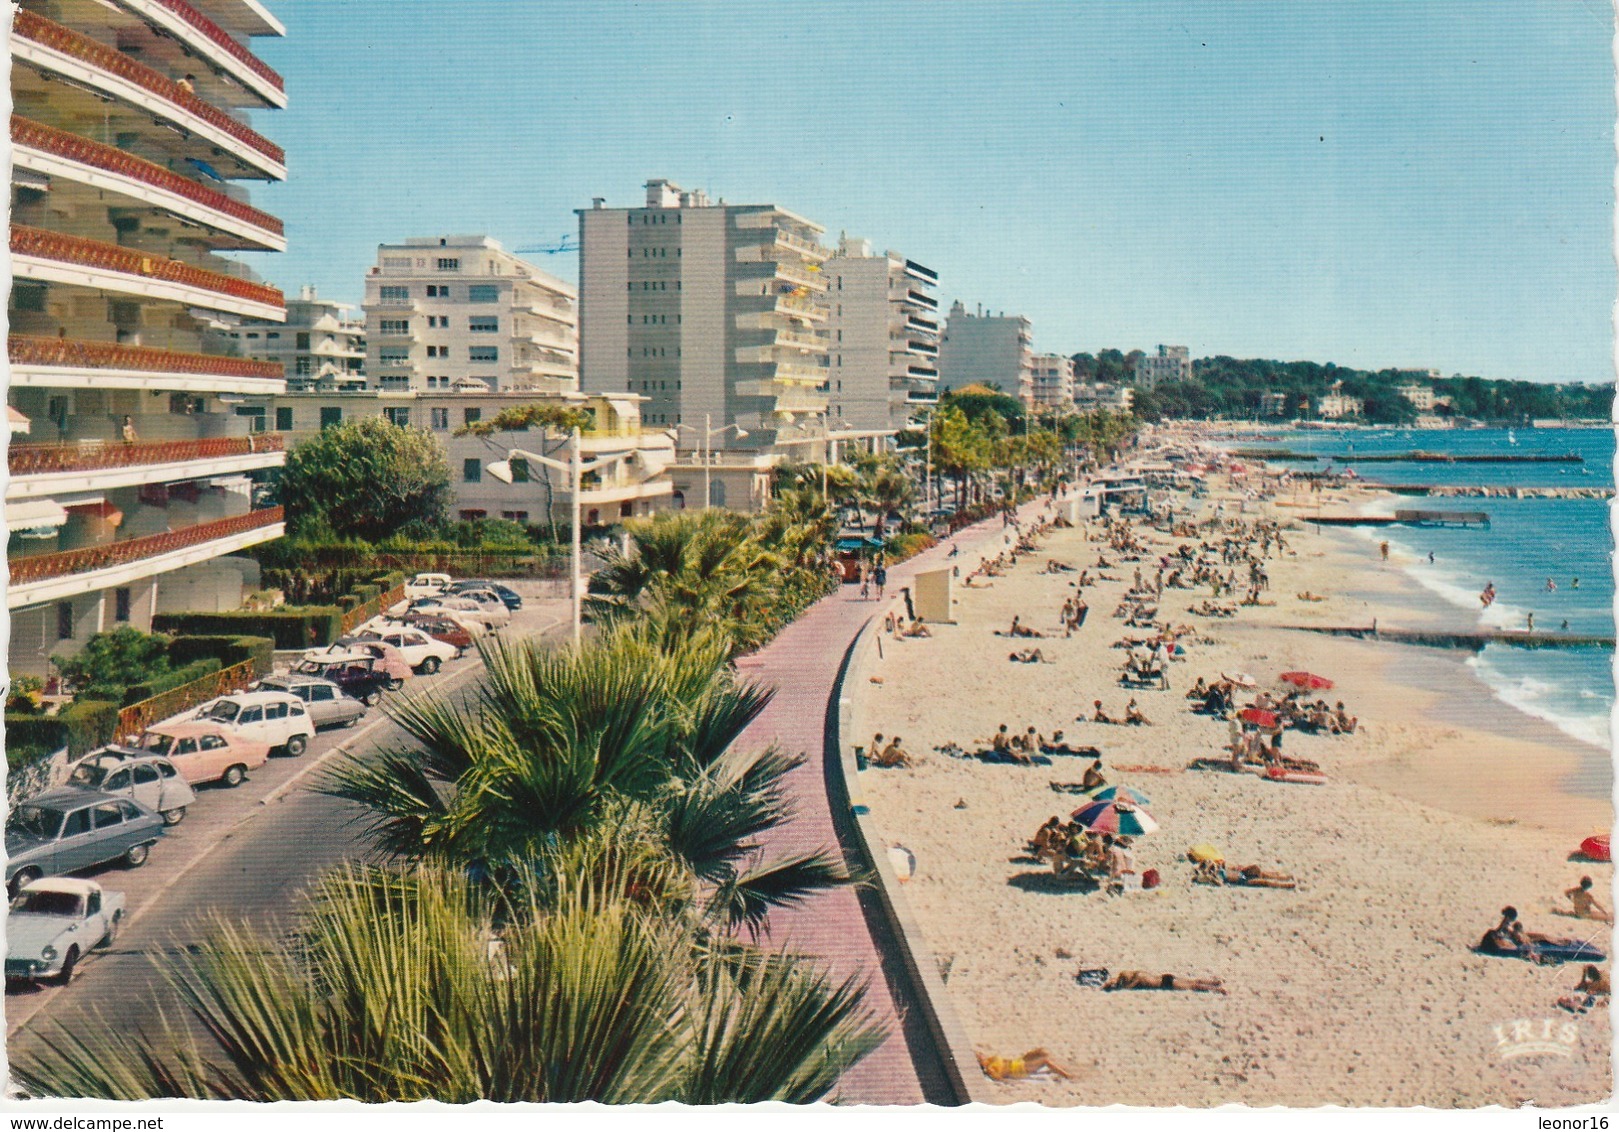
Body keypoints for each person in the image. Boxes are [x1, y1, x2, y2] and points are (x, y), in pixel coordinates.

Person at [977, 1048, 1073, 1081]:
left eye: (981, 1053)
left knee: (1041, 1052)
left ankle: (1061, 1068)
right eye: (979, 1056)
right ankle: (1067, 1075)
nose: (982, 1054)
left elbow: (1006, 1061)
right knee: (1045, 1061)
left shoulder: (991, 1059)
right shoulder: (990, 1068)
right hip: (1019, 1069)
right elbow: (1001, 1078)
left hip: (1018, 1062)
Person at [1104, 971, 1227, 995]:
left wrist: (1116, 988)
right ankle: (1214, 983)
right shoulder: (1139, 973)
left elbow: (1128, 988)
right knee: (1192, 982)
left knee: (1192, 986)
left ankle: (1216, 989)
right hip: (1164, 977)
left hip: (1164, 984)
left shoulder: (1138, 979)